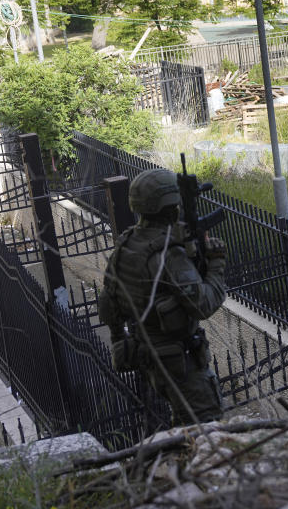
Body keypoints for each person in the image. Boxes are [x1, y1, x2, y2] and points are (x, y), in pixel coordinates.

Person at [99, 168, 228, 425]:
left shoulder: (128, 244)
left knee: (183, 425)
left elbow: (108, 304)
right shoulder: (168, 254)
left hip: (149, 355)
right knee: (205, 426)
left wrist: (118, 339)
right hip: (178, 362)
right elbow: (202, 304)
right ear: (170, 205)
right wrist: (216, 265)